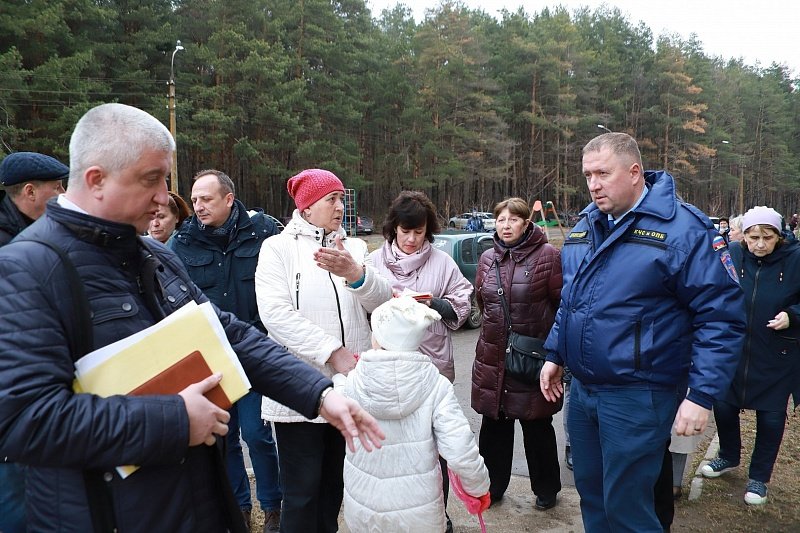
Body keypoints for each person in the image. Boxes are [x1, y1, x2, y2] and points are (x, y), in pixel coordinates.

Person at [0, 103, 384, 533]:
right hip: (106, 515)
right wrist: (175, 419)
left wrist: (319, 395)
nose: (165, 196)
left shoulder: (156, 255)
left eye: (164, 179)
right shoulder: (26, 269)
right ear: (96, 179)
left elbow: (226, 333)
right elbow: (24, 421)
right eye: (152, 179)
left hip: (196, 502)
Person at [539, 132, 746, 532]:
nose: (593, 184)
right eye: (587, 176)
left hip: (639, 394)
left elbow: (720, 318)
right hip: (583, 393)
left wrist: (701, 395)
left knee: (628, 508)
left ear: (635, 172)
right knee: (593, 495)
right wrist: (554, 354)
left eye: (602, 173)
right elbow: (572, 301)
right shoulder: (586, 225)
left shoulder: (684, 230)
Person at [255, 168, 393, 533]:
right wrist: (333, 352)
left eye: (340, 198)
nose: (340, 206)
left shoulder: (356, 247)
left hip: (349, 389)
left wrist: (357, 275)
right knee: (301, 495)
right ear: (307, 206)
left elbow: (382, 303)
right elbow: (275, 315)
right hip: (298, 392)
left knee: (335, 489)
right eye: (331, 199)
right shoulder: (277, 249)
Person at [169, 169, 284, 531]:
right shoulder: (183, 242)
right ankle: (239, 508)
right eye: (195, 199)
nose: (198, 206)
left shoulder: (265, 232)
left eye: (206, 199)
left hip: (254, 351)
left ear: (229, 199)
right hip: (210, 358)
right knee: (224, 437)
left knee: (255, 432)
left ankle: (274, 506)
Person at [333, 296, 490, 532]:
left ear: (380, 338)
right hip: (419, 513)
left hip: (366, 509)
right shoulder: (436, 385)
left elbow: (336, 394)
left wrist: (337, 378)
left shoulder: (353, 381)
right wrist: (478, 488)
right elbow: (459, 448)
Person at [369, 190, 474, 532]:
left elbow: (462, 300)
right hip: (386, 370)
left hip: (432, 368)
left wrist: (439, 306)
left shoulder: (442, 262)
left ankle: (437, 514)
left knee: (433, 447)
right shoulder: (374, 262)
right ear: (393, 229)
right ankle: (394, 515)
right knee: (391, 449)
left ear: (428, 231)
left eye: (419, 232)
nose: (412, 239)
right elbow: (360, 308)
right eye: (405, 231)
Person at [701, 206, 800, 506]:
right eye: (752, 236)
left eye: (766, 238)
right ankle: (728, 456)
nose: (759, 244)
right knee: (724, 406)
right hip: (734, 349)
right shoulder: (731, 253)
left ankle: (759, 476)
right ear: (743, 235)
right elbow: (712, 288)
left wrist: (792, 316)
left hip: (776, 352)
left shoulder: (796, 259)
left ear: (779, 236)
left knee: (770, 418)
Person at [472, 197, 563, 511]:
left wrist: (555, 352)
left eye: (513, 219)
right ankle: (493, 487)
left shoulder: (548, 256)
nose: (505, 225)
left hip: (530, 358)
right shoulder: (487, 258)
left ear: (526, 223)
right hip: (493, 355)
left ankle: (547, 488)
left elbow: (562, 306)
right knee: (494, 425)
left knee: (537, 425)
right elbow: (483, 303)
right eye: (500, 220)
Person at [0, 151, 68, 533]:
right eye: (56, 188)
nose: (62, 194)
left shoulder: (36, 236)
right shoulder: (12, 248)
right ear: (29, 192)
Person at [0, 151, 67, 245]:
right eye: (57, 188)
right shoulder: (5, 242)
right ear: (30, 192)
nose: (64, 193)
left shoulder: (42, 225)